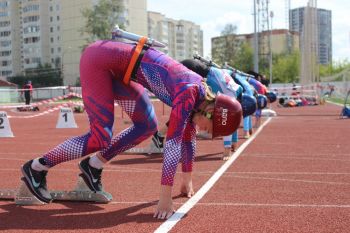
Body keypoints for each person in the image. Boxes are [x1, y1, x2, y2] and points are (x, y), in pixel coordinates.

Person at [20, 39, 242, 220]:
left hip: (122, 73)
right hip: (98, 62)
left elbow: (188, 135)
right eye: (211, 128)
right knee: (100, 137)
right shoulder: (190, 91)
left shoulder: (199, 98)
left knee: (147, 126)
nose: (206, 132)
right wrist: (165, 197)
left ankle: (92, 166)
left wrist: (187, 180)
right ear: (211, 112)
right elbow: (173, 144)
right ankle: (37, 168)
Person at [150, 58, 257, 160]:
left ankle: (160, 136)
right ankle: (165, 139)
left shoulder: (236, 91)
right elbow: (226, 121)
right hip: (191, 71)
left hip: (194, 69)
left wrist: (234, 140)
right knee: (186, 113)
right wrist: (227, 149)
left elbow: (229, 123)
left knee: (188, 113)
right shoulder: (231, 96)